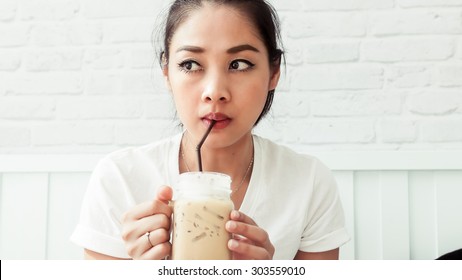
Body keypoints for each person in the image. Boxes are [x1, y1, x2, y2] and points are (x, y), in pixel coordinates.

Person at [71, 0, 350, 260]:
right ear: (167, 72)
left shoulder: (309, 183)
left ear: (273, 72)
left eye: (239, 64)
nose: (215, 92)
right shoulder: (120, 179)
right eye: (190, 64)